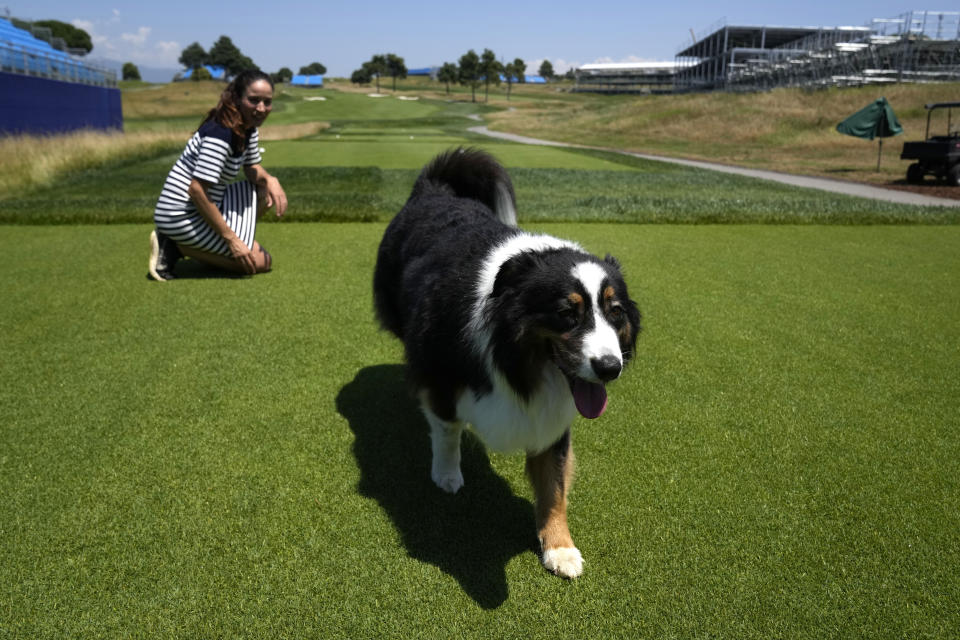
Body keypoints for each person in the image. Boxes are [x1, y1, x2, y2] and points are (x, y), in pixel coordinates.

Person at [148, 69, 287, 280]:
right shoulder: (221, 133)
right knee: (256, 263)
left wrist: (270, 179)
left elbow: (251, 167)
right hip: (180, 214)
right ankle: (174, 247)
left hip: (209, 204)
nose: (261, 108)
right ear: (238, 98)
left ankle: (209, 246)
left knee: (264, 191)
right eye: (253, 100)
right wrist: (231, 240)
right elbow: (196, 190)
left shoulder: (247, 126)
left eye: (267, 102)